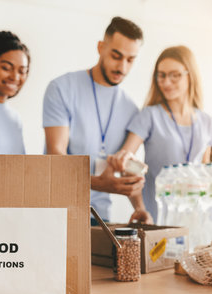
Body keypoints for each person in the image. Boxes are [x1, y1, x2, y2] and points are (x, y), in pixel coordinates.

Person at [42, 17, 152, 224]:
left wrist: (140, 208)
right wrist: (98, 184)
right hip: (57, 212)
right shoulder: (62, 88)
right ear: (100, 47)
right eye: (116, 56)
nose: (122, 67)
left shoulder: (130, 108)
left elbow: (125, 166)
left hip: (100, 219)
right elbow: (56, 156)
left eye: (130, 60)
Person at [108, 46, 212, 222]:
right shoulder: (149, 116)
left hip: (196, 217)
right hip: (157, 217)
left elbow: (204, 170)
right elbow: (126, 162)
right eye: (162, 75)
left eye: (175, 75)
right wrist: (140, 209)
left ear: (190, 75)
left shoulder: (207, 121)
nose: (166, 82)